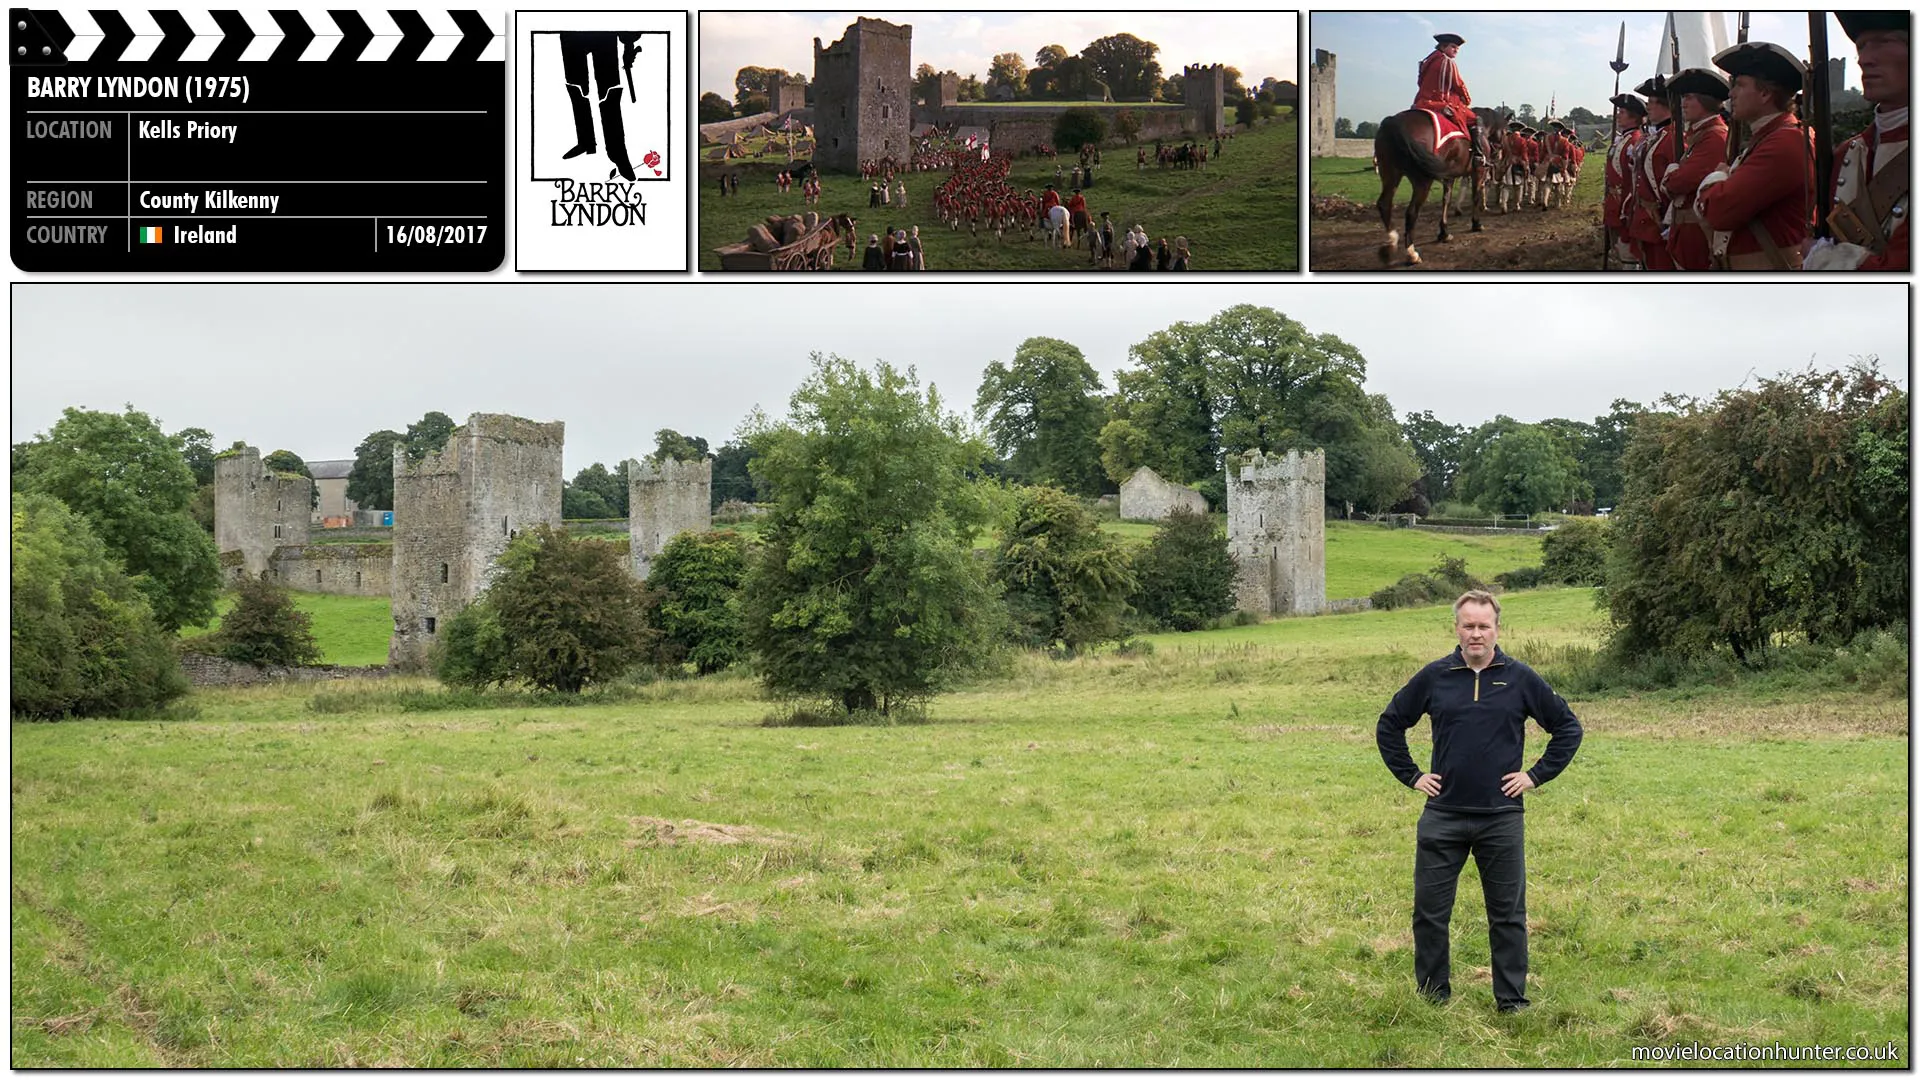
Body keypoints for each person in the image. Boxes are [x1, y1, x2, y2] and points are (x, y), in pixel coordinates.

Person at [1377, 590, 1583, 1013]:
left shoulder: (1520, 678)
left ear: (1497, 630)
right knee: (1430, 914)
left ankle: (1512, 1002)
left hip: (1501, 817)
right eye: (1468, 625)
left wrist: (1534, 776)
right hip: (1443, 816)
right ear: (1456, 629)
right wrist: (1413, 776)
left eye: (1483, 626)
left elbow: (1567, 728)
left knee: (1507, 916)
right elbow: (1390, 724)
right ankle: (1432, 998)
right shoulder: (1435, 676)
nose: (1476, 633)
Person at [1696, 41, 1814, 269]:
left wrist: (1718, 177)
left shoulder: (1785, 141)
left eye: (1740, 85)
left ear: (1765, 93)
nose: (1731, 94)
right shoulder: (1770, 136)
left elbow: (1718, 212)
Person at [1809, 11, 1909, 271]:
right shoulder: (1847, 153)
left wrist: (1822, 259)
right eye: (1861, 47)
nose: (1864, 59)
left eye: (1883, 42)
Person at [1661, 69, 1732, 270]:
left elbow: (1681, 182)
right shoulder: (1700, 135)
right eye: (1683, 98)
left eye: (1689, 97)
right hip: (1686, 232)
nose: (1683, 104)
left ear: (1706, 100)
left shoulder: (1714, 137)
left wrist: (1671, 175)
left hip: (1697, 235)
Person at [1626, 77, 1677, 269]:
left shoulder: (1673, 138)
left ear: (1666, 105)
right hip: (1644, 217)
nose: (1647, 107)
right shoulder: (1652, 137)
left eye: (1652, 102)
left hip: (1660, 218)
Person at [1604, 94, 1648, 265]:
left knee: (1629, 254)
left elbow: (1634, 179)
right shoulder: (1623, 139)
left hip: (1625, 203)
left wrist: (1627, 208)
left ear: (1634, 117)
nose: (1618, 115)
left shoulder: (1635, 141)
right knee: (1619, 250)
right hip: (1614, 201)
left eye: (1622, 112)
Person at [1413, 33, 1477, 147]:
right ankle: (1478, 152)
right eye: (1453, 47)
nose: (1456, 50)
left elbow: (1420, 82)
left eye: (1457, 48)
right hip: (1439, 103)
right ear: (1443, 47)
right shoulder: (1447, 61)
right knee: (1475, 120)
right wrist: (1467, 100)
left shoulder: (1427, 62)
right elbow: (1458, 84)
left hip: (1420, 102)